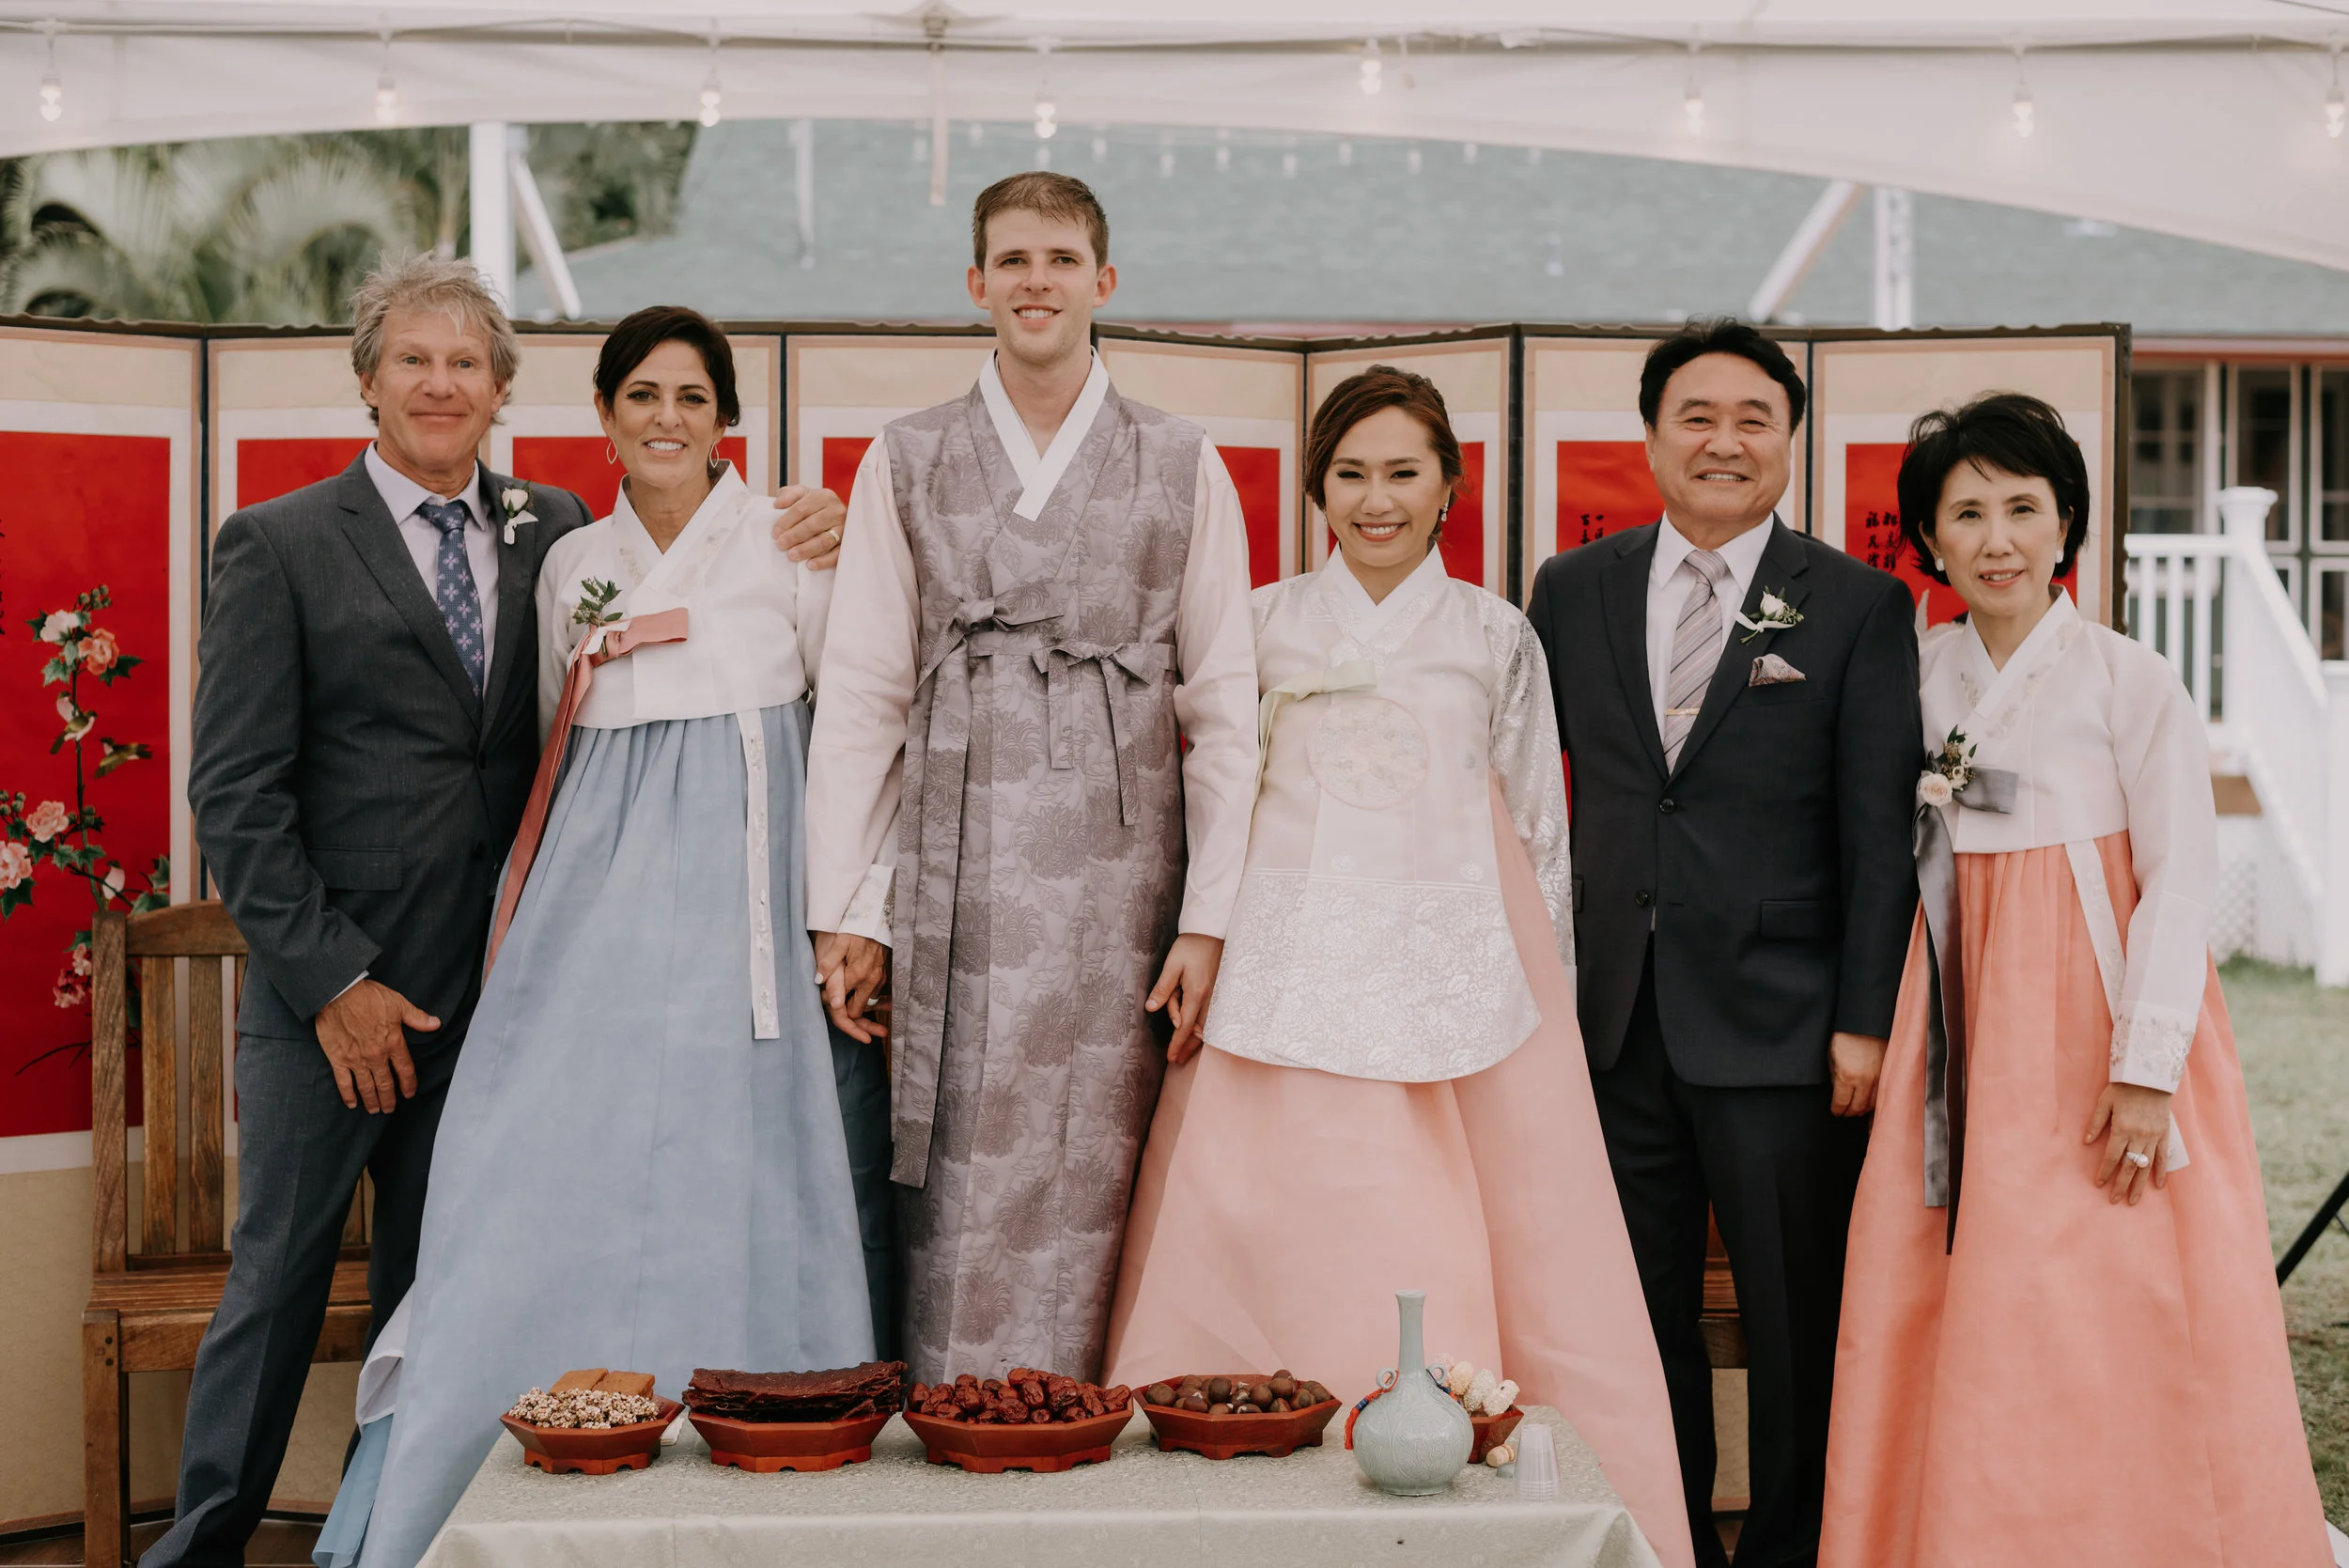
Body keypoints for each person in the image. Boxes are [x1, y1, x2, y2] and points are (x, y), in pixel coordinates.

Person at [156, 259, 846, 1568]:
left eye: (465, 363)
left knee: (454, 1285)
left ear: (503, 391)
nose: (441, 384)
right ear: (368, 381)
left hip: (498, 999)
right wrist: (333, 983)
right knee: (277, 1283)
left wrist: (823, 519)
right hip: (334, 1000)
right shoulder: (279, 540)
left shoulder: (557, 533)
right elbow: (235, 796)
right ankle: (200, 1548)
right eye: (414, 360)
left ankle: (401, 1526)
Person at [1103, 366, 1696, 1568]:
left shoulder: (1493, 633)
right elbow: (1206, 802)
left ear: (1447, 488)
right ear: (1316, 489)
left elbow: (1537, 830)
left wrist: (1549, 996)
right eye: (1351, 474)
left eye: (1402, 473)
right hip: (1281, 974)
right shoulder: (1259, 623)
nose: (1376, 499)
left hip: (1458, 983)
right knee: (1255, 1223)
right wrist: (1202, 933)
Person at [347, 306, 881, 1568]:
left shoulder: (791, 544)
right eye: (641, 393)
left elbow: (857, 728)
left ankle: (762, 1465)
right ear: (601, 413)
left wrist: (849, 911)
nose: (666, 418)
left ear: (727, 419)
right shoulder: (571, 559)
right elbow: (556, 733)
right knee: (545, 1140)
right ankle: (521, 1444)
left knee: (739, 1150)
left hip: (746, 888)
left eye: (693, 397)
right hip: (597, 893)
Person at [1819, 394, 2329, 1567]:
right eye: (1966, 514)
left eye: (2022, 508)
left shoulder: (2127, 678)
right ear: (1926, 539)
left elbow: (2181, 878)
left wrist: (2145, 1069)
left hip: (2092, 1009)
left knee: (2106, 1283)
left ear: (2066, 525)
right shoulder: (1908, 674)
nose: (1996, 539)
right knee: (1952, 1277)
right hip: (1953, 1006)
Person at [802, 170, 1259, 1385]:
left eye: (1060, 259)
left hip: (1124, 878)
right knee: (964, 1152)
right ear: (976, 283)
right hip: (959, 874)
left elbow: (1225, 708)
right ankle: (958, 1419)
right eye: (1012, 260)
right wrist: (847, 909)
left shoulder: (1181, 460)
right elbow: (864, 693)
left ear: (1104, 281)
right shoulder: (907, 456)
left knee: (1105, 1145)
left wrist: (1211, 918)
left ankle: (1098, 1425)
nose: (1036, 281)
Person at [1523, 319, 1921, 1568]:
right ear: (1649, 437)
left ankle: (1791, 1552)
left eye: (1754, 418)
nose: (1724, 441)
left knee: (1796, 1323)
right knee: (1639, 1326)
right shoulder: (1570, 589)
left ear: (1792, 439)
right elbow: (1530, 799)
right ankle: (1672, 1543)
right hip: (1612, 1025)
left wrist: (1864, 1020)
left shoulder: (1856, 604)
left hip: (1784, 1030)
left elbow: (1877, 833)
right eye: (1695, 416)